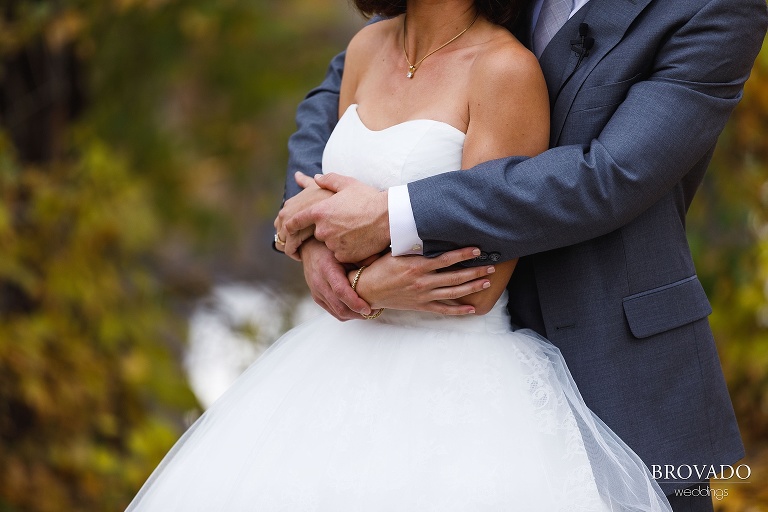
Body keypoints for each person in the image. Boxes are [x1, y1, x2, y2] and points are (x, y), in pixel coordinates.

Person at [127, 0, 673, 510]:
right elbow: (328, 198)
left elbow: (481, 283)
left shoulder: (504, 70)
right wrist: (316, 249)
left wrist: (359, 287)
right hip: (330, 363)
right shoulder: (366, 50)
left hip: (454, 378)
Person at [274, 0, 768, 510]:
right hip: (406, 363)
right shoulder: (421, 26)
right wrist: (309, 231)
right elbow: (337, 99)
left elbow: (611, 176)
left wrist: (393, 214)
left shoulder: (716, 7)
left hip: (615, 362)